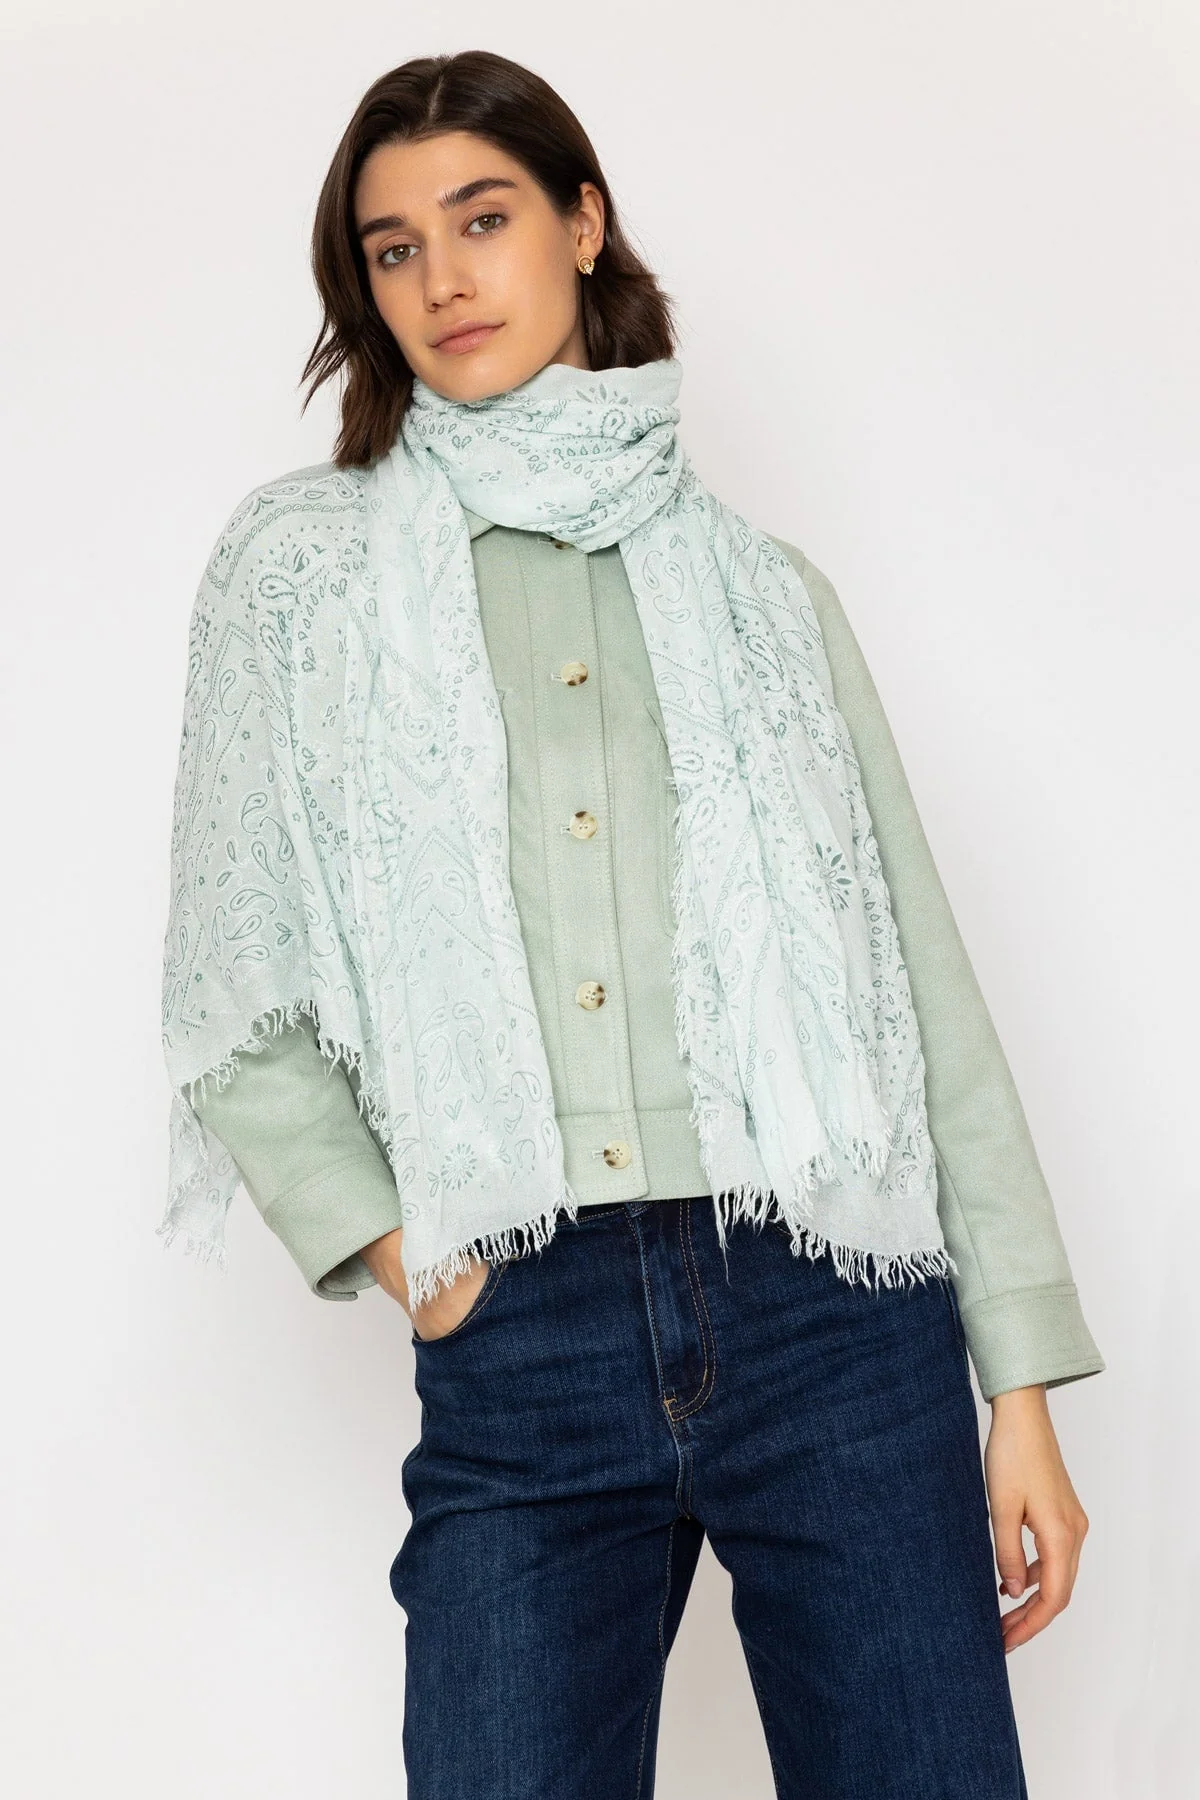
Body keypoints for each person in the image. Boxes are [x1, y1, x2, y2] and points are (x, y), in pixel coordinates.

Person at [159, 48, 1105, 1800]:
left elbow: (919, 988)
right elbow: (233, 982)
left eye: (484, 219)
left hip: (835, 1316)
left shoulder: (762, 594)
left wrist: (1023, 1384)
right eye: (391, 248)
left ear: (583, 225)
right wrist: (398, 1250)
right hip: (523, 1334)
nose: (441, 279)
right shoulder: (301, 579)